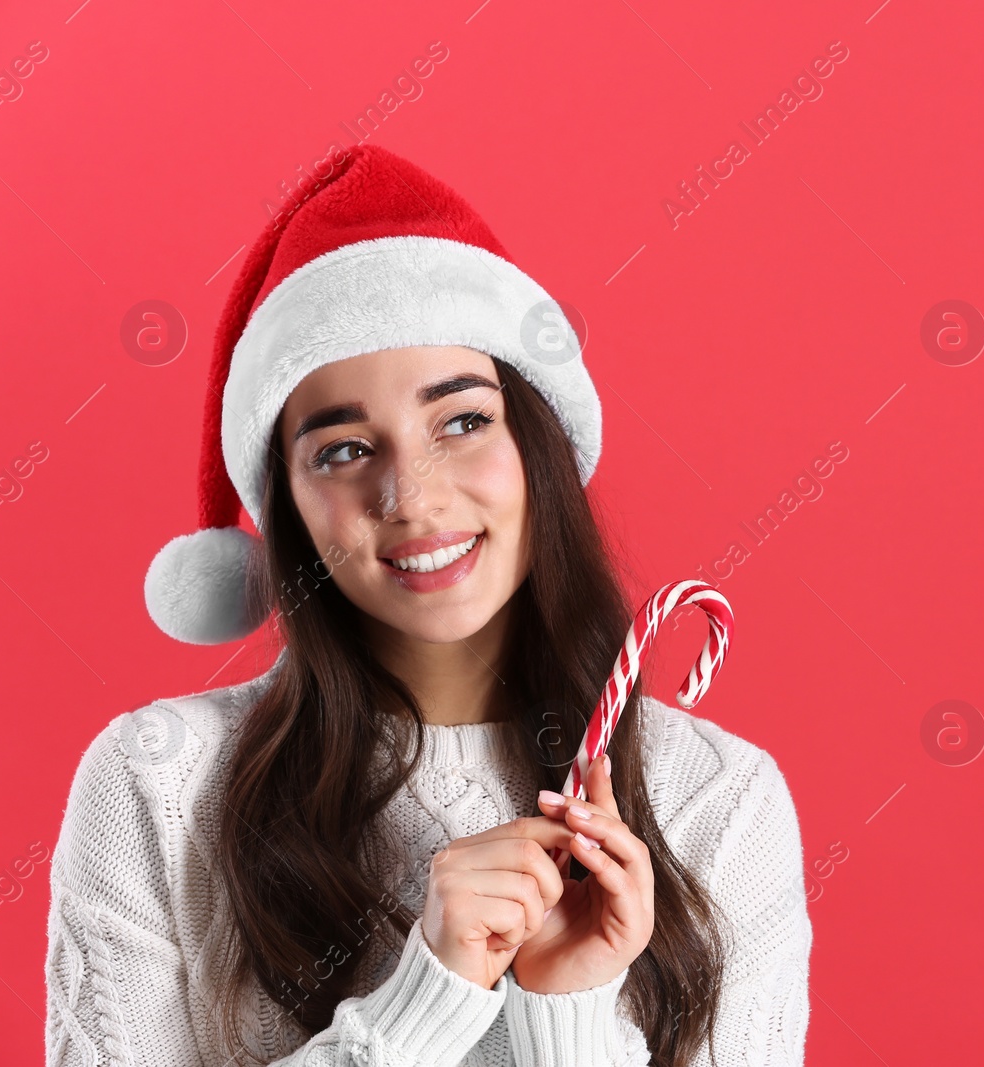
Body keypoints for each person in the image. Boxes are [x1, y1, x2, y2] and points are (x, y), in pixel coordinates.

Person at [43, 145, 812, 1066]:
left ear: (539, 442)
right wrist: (423, 1002)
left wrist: (565, 1017)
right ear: (284, 501)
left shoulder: (719, 802)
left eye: (462, 420)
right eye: (340, 450)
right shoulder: (157, 782)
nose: (411, 495)